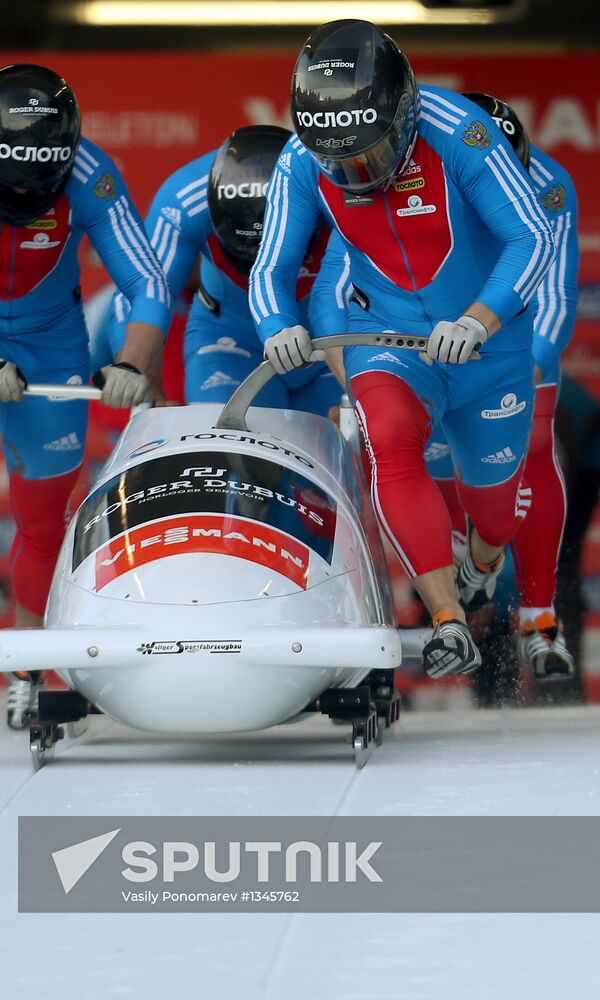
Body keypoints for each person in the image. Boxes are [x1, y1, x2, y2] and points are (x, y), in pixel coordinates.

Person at [248, 19, 555, 679]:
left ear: (405, 116)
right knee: (387, 433)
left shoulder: (461, 131)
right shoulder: (303, 161)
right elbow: (270, 268)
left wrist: (479, 319)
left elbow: (531, 235)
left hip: (487, 351)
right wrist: (278, 324)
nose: (358, 172)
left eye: (370, 154)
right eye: (341, 161)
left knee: (495, 515)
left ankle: (482, 562)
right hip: (387, 337)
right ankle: (447, 619)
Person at [0, 64, 170, 728]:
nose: (18, 199)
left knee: (45, 517)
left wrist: (132, 361)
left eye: (35, 189)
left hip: (51, 334)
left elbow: (148, 280)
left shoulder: (92, 176)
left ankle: (31, 664)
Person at [423, 93, 579, 682]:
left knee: (533, 446)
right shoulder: (431, 167)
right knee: (431, 451)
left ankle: (540, 612)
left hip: (514, 338)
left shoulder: (549, 183)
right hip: (439, 335)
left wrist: (533, 361)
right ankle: (467, 562)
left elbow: (558, 292)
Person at [94, 125, 348, 412]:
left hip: (331, 338)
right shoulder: (185, 200)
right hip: (229, 340)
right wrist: (134, 368)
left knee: (356, 440)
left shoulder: (335, 188)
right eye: (247, 256)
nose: (260, 268)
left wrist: (356, 393)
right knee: (228, 450)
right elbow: (145, 289)